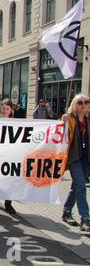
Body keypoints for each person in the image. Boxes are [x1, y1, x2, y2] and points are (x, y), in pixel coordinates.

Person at [61, 94, 90, 232]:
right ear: (74, 104)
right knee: (81, 187)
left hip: (87, 159)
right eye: (80, 102)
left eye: (86, 102)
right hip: (74, 158)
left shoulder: (89, 120)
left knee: (77, 186)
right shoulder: (70, 118)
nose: (83, 105)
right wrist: (63, 121)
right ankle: (85, 219)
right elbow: (59, 131)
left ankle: (66, 211)